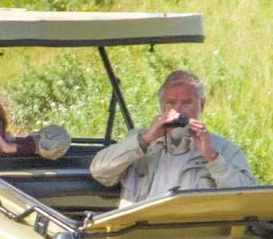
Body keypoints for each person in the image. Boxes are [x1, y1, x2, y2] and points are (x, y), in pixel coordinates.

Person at [89, 69, 256, 205]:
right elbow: (100, 172)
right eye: (171, 103)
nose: (178, 111)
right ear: (161, 105)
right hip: (140, 230)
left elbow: (249, 199)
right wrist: (144, 141)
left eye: (186, 103)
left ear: (202, 105)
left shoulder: (223, 149)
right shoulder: (139, 140)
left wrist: (212, 157)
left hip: (192, 231)